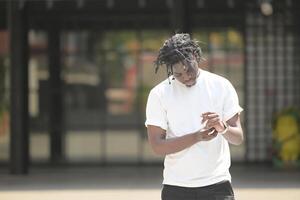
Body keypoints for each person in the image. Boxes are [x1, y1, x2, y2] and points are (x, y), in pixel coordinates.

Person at [145, 33, 243, 200]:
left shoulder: (221, 86)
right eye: (178, 75)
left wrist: (222, 127)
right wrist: (197, 137)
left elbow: (238, 138)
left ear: (196, 57)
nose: (186, 77)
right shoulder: (159, 94)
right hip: (176, 187)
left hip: (217, 185)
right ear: (170, 70)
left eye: (189, 69)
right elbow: (157, 146)